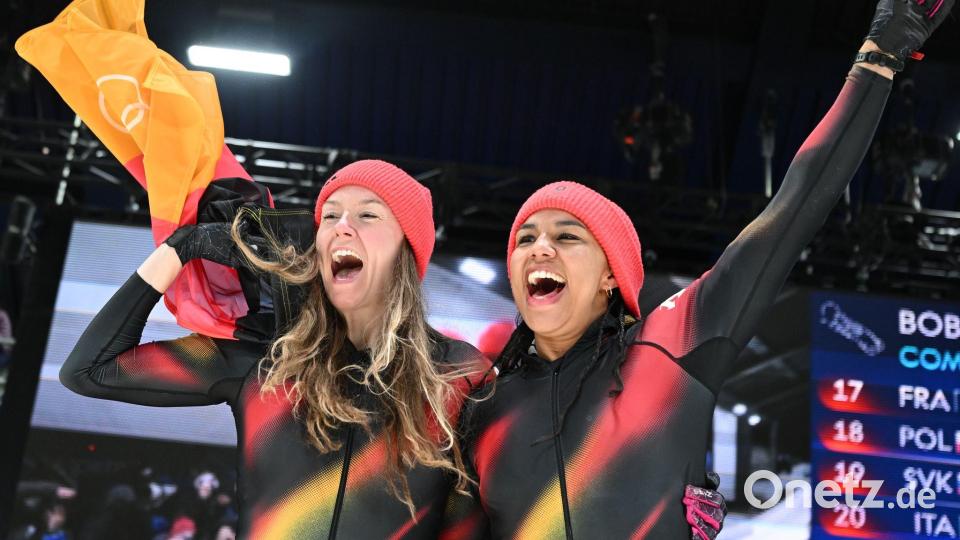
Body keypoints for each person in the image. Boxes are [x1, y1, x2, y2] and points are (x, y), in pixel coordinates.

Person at [463, 1, 953, 538]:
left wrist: (879, 58)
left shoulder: (667, 347)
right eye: (525, 239)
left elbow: (790, 213)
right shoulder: (482, 407)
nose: (539, 248)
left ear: (611, 276)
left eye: (566, 236)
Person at [60, 160, 489, 538]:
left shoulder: (457, 372)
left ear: (408, 249)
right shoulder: (270, 354)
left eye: (368, 214)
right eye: (331, 216)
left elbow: (467, 521)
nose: (341, 225)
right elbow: (89, 370)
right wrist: (181, 248)